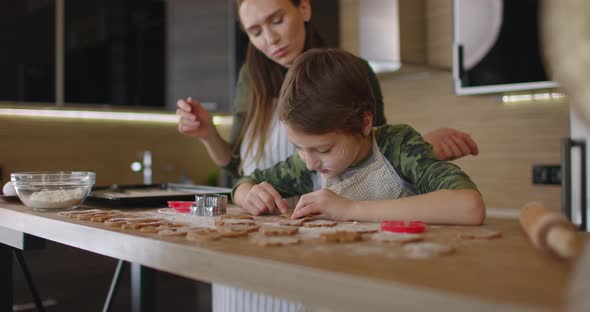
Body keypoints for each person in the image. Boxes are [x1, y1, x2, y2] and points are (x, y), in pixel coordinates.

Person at [176, 0, 479, 184]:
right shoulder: (250, 78)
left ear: (304, 7)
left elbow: (377, 154)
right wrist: (207, 133)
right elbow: (235, 164)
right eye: (256, 32)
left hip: (329, 218)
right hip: (258, 220)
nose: (270, 38)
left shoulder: (350, 72)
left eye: (278, 19)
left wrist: (421, 147)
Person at [233, 48, 486, 225]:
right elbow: (245, 181)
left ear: (365, 123)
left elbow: (469, 206)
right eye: (299, 147)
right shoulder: (307, 165)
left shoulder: (399, 147)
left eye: (324, 150)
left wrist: (350, 209)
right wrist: (249, 195)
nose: (309, 162)